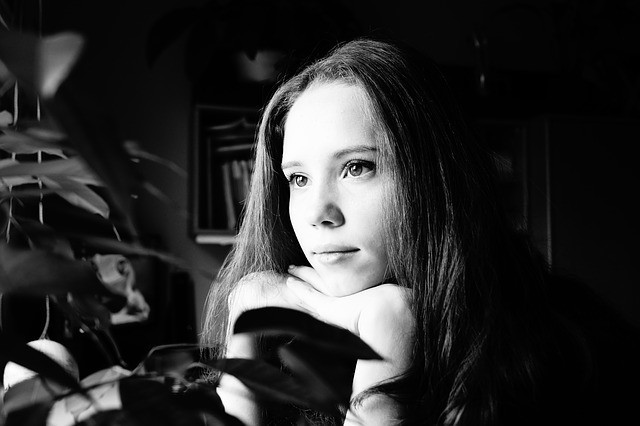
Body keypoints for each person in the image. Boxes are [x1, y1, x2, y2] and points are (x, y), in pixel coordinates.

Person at [201, 37, 640, 425]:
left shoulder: (567, 355)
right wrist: (246, 328)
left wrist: (386, 331)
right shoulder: (282, 343)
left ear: (432, 177)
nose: (318, 213)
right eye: (298, 179)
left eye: (357, 167)